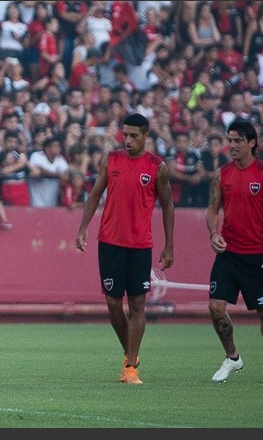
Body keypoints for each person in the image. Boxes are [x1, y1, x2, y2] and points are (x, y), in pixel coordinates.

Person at [75, 113, 175, 385]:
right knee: (112, 303)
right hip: (110, 242)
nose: (128, 140)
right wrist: (83, 228)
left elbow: (168, 206)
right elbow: (95, 194)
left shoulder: (156, 167)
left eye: (134, 136)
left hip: (140, 245)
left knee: (138, 305)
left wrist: (169, 246)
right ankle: (130, 352)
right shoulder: (111, 160)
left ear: (145, 136)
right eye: (125, 135)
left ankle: (130, 367)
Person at [205, 119, 263, 385]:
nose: (232, 145)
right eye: (230, 140)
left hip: (258, 255)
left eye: (238, 140)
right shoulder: (222, 174)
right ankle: (232, 357)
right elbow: (212, 210)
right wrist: (213, 233)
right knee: (215, 307)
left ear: (252, 143)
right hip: (228, 253)